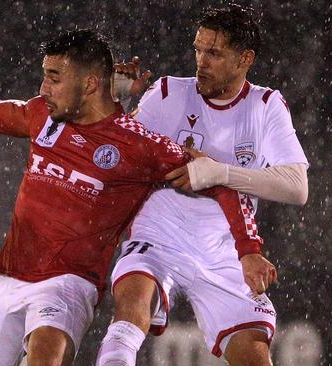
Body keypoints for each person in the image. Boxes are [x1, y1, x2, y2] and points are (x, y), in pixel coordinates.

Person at [0, 29, 258, 366]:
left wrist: (249, 252)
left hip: (67, 282)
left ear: (89, 84)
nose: (44, 89)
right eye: (45, 76)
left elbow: (221, 182)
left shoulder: (139, 145)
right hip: (3, 281)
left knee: (45, 354)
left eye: (54, 77)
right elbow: (10, 113)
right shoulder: (44, 116)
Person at [96, 4, 309, 366]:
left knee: (254, 354)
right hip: (159, 232)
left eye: (214, 53)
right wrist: (116, 104)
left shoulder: (265, 105)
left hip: (225, 248)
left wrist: (219, 172)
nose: (201, 62)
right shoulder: (168, 93)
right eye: (198, 49)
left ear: (245, 59)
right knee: (132, 309)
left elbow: (296, 187)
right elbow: (113, 155)